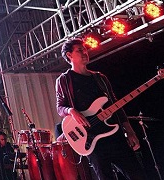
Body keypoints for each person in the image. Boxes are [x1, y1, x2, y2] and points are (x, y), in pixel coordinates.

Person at [55, 38, 146, 180]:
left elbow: (116, 105)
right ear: (69, 55)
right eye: (80, 50)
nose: (85, 52)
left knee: (137, 175)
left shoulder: (100, 78)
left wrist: (130, 130)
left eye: (85, 50)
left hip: (115, 136)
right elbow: (60, 107)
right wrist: (72, 111)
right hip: (92, 141)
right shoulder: (64, 80)